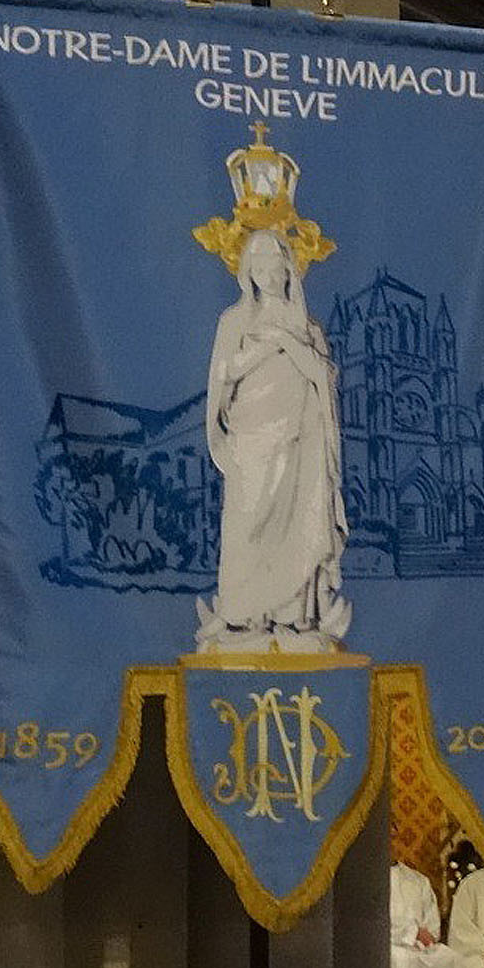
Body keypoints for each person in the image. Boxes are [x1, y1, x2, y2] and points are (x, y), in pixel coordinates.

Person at [197, 226, 350, 653]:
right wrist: (272, 345)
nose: (266, 269)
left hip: (301, 440)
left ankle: (291, 616)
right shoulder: (234, 320)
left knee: (298, 521)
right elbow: (225, 373)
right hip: (251, 437)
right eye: (256, 261)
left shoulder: (307, 325)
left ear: (288, 266)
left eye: (273, 259)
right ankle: (242, 614)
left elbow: (324, 376)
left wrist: (287, 339)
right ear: (247, 271)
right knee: (245, 521)